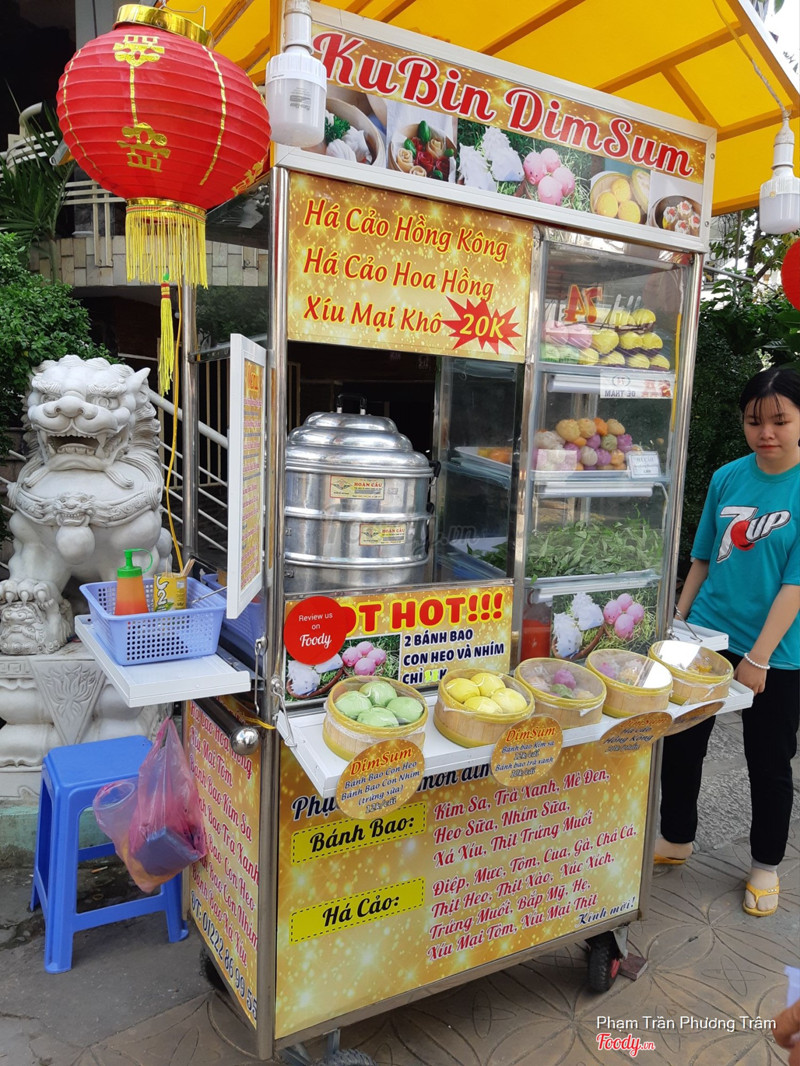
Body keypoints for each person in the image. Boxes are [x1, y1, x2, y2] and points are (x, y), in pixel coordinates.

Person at [655, 365, 800, 917]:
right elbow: (701, 558)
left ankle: (765, 865)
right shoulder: (726, 477)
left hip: (777, 651)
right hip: (706, 634)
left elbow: (795, 585)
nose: (766, 432)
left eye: (780, 421)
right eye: (754, 421)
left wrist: (759, 657)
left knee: (768, 759)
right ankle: (676, 837)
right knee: (683, 742)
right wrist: (678, 620)